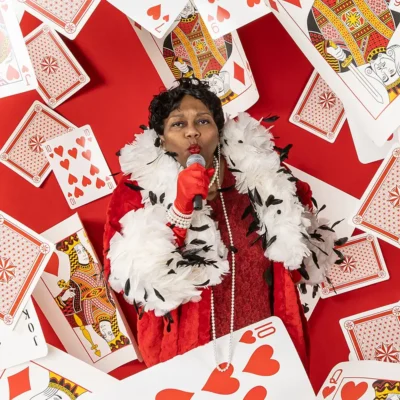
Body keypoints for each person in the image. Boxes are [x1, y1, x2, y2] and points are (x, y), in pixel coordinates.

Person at [103, 78, 342, 368]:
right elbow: (133, 280)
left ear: (219, 130)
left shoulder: (259, 176)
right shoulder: (135, 190)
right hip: (189, 354)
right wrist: (180, 210)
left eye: (203, 121)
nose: (192, 131)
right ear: (161, 138)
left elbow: (300, 258)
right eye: (178, 124)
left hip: (267, 342)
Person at [307, 0, 400, 102]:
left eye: (384, 78)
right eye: (391, 72)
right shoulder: (394, 24)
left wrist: (329, 49)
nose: (384, 70)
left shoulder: (342, 64)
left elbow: (315, 38)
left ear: (376, 76)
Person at [54, 234, 130, 356]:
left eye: (104, 335)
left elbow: (61, 313)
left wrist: (64, 298)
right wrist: (64, 296)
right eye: (79, 252)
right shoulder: (111, 309)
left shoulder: (87, 318)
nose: (105, 331)